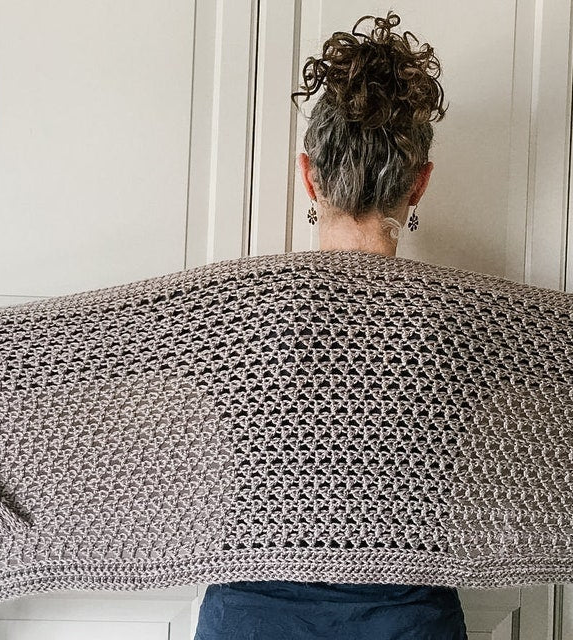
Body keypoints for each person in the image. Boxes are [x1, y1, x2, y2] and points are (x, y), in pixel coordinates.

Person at [192, 11, 464, 640]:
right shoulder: (468, 321)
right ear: (419, 183)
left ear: (309, 174)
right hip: (408, 621)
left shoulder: (228, 310)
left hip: (251, 619)